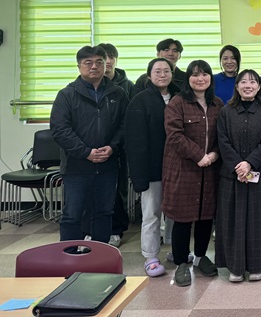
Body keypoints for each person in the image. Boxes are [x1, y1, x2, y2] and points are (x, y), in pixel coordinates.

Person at [50, 45, 128, 243]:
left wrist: (112, 147)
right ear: (79, 66)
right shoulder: (66, 95)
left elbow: (125, 125)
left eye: (99, 62)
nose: (94, 66)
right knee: (73, 214)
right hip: (77, 166)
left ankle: (99, 256)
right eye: (88, 62)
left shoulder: (118, 93)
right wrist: (85, 152)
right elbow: (60, 129)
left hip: (108, 165)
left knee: (104, 212)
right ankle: (69, 255)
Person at [216, 69, 261, 282]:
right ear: (236, 86)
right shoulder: (226, 112)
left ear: (259, 86)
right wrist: (238, 165)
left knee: (257, 221)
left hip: (259, 173)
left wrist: (249, 163)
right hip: (232, 174)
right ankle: (235, 267)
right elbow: (222, 141)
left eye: (253, 82)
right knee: (232, 221)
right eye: (243, 82)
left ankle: (257, 265)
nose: (248, 85)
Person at [162, 60, 223, 287]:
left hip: (210, 168)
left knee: (206, 215)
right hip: (184, 168)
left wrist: (214, 154)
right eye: (195, 75)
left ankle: (200, 257)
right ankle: (181, 263)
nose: (200, 79)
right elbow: (175, 135)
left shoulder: (217, 103)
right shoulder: (177, 103)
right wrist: (199, 156)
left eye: (205, 74)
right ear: (188, 79)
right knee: (183, 217)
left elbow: (223, 135)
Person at [126, 58, 179, 277]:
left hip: (177, 168)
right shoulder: (140, 101)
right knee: (151, 213)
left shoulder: (179, 97)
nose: (162, 75)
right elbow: (135, 141)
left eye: (166, 71)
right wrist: (139, 174)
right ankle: (151, 257)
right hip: (152, 168)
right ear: (149, 75)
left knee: (177, 213)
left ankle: (177, 250)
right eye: (157, 71)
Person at [96, 42, 134, 248]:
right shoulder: (88, 84)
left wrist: (114, 144)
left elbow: (128, 120)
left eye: (111, 57)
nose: (108, 61)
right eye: (104, 57)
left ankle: (115, 230)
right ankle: (93, 230)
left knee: (117, 190)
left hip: (118, 148)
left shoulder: (127, 86)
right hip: (91, 149)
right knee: (93, 191)